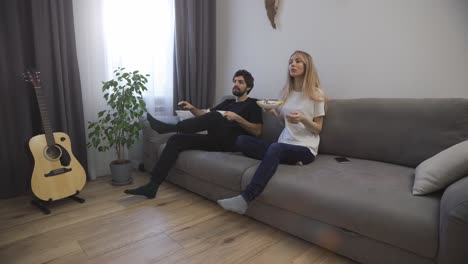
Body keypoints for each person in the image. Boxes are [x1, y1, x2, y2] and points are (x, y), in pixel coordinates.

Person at [124, 69, 263, 199]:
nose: (236, 84)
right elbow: (205, 116)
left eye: (240, 82)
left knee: (215, 116)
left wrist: (237, 118)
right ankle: (152, 186)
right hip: (215, 140)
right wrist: (192, 108)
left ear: (248, 87)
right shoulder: (228, 102)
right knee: (176, 139)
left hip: (233, 142)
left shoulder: (254, 104)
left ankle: (167, 128)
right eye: (235, 81)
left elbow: (257, 131)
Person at [217, 51, 326, 214]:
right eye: (290, 62)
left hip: (305, 149)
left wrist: (303, 119)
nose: (292, 65)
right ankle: (282, 160)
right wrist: (276, 114)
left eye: (298, 61)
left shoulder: (316, 94)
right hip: (285, 144)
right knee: (242, 141)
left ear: (307, 66)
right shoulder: (287, 93)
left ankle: (246, 198)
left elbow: (318, 128)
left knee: (275, 148)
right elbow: (287, 124)